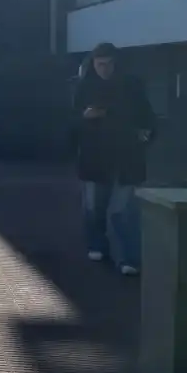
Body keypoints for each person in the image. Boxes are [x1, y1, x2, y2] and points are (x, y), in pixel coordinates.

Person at [72, 42, 153, 276]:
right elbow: (70, 123)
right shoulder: (84, 87)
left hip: (127, 158)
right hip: (95, 159)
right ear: (93, 64)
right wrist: (85, 117)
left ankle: (129, 258)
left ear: (116, 64)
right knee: (94, 207)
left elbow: (147, 117)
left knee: (124, 211)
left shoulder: (132, 86)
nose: (104, 69)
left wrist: (146, 132)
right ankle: (97, 245)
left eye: (108, 64)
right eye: (100, 64)